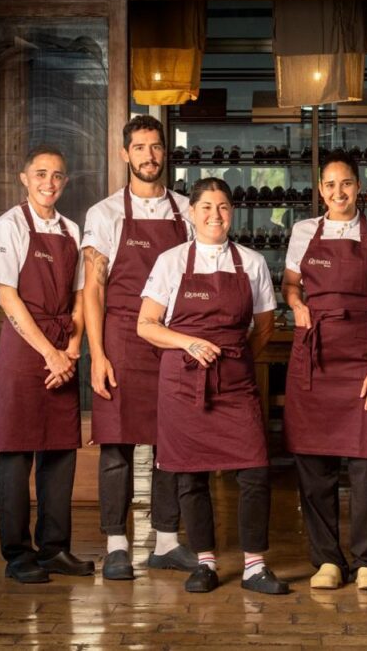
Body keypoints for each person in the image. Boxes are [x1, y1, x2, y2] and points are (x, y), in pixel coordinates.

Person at [137, 178, 289, 595]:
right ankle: (205, 562)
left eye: (223, 207)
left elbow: (265, 325)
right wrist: (188, 342)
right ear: (192, 213)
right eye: (206, 207)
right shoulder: (171, 262)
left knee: (256, 470)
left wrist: (234, 356)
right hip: (182, 384)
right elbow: (145, 325)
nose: (214, 215)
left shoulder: (252, 262)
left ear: (232, 213)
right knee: (190, 476)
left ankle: (255, 565)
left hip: (235, 384)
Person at [281, 151, 367, 590]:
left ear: (359, 186)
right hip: (314, 357)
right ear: (320, 190)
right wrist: (297, 306)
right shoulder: (302, 232)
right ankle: (327, 561)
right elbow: (291, 285)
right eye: (330, 185)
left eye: (347, 183)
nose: (339, 192)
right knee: (313, 462)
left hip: (363, 356)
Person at [81, 115, 196, 580]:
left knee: (171, 443)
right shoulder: (105, 213)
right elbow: (93, 290)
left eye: (156, 147)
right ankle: (116, 543)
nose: (149, 156)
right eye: (140, 148)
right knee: (117, 446)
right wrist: (97, 355)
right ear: (125, 154)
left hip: (171, 340)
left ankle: (167, 540)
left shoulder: (187, 211)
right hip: (123, 341)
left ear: (164, 152)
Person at [0, 145, 94, 584]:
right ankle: (17, 554)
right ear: (23, 178)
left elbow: (81, 296)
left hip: (63, 345)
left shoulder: (70, 229)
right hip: (24, 349)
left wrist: (74, 347)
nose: (50, 182)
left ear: (65, 182)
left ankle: (54, 548)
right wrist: (50, 352)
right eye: (41, 173)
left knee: (60, 452)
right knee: (15, 452)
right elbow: (7, 297)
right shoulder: (6, 228)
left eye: (58, 176)